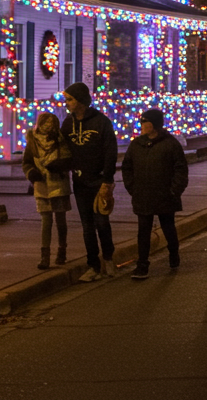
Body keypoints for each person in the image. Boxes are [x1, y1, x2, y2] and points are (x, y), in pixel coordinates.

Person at [121, 109, 189, 280]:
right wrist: (132, 188)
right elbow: (127, 167)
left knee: (168, 227)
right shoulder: (137, 144)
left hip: (165, 195)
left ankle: (173, 254)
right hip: (143, 194)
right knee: (143, 231)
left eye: (146, 122)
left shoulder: (170, 144)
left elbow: (180, 169)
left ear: (155, 125)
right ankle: (142, 264)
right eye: (142, 122)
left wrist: (174, 190)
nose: (142, 126)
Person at [62, 83, 119, 282]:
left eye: (69, 99)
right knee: (87, 226)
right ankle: (93, 265)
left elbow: (110, 152)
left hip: (99, 181)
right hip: (80, 181)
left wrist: (108, 180)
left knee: (101, 222)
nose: (66, 103)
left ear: (79, 100)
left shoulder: (101, 122)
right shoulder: (68, 124)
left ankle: (109, 258)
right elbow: (63, 149)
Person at [23, 112, 71, 270]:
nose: (48, 126)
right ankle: (45, 256)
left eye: (51, 123)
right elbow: (27, 163)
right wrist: (31, 173)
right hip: (42, 186)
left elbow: (68, 158)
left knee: (60, 220)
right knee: (46, 222)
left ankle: (62, 250)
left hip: (59, 184)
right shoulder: (32, 142)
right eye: (45, 123)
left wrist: (60, 165)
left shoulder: (60, 140)